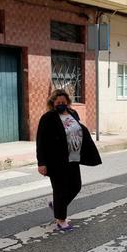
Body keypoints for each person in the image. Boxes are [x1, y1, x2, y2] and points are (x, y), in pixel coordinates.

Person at [36, 88, 101, 232]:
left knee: (76, 186)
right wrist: (41, 163)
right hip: (56, 161)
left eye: (63, 102)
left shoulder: (73, 113)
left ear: (68, 102)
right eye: (58, 102)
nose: (61, 104)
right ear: (53, 103)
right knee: (60, 190)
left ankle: (57, 206)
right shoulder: (48, 118)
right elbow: (40, 141)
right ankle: (61, 220)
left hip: (73, 158)